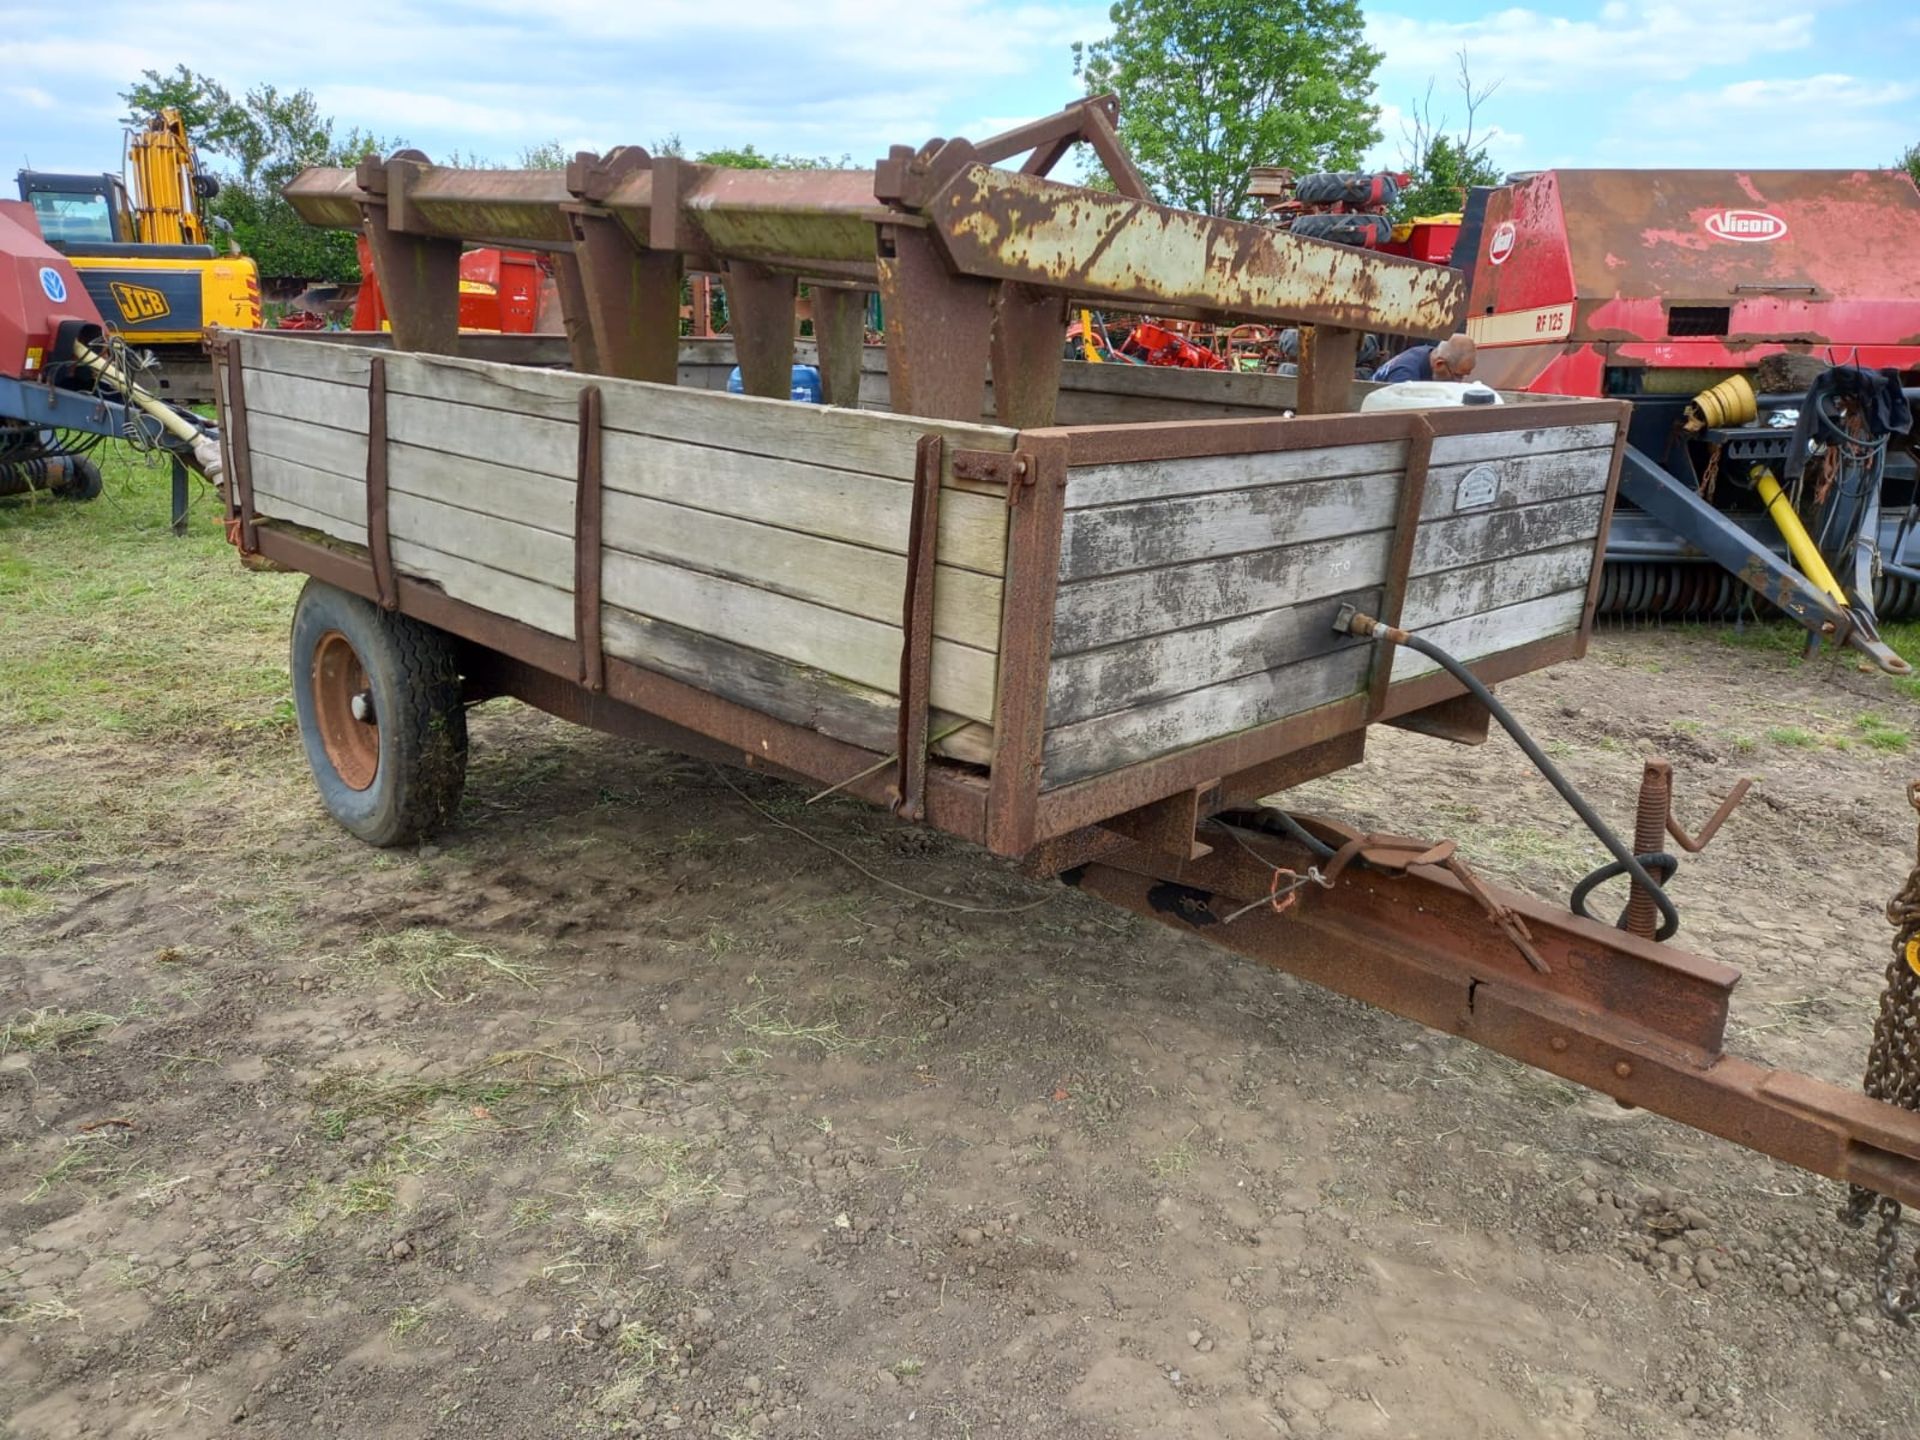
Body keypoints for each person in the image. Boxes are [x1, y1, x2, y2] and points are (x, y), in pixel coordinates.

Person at [1372, 333, 1476, 384]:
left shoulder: (1431, 354)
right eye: (1458, 376)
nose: (1459, 382)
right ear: (1439, 364)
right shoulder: (1404, 375)